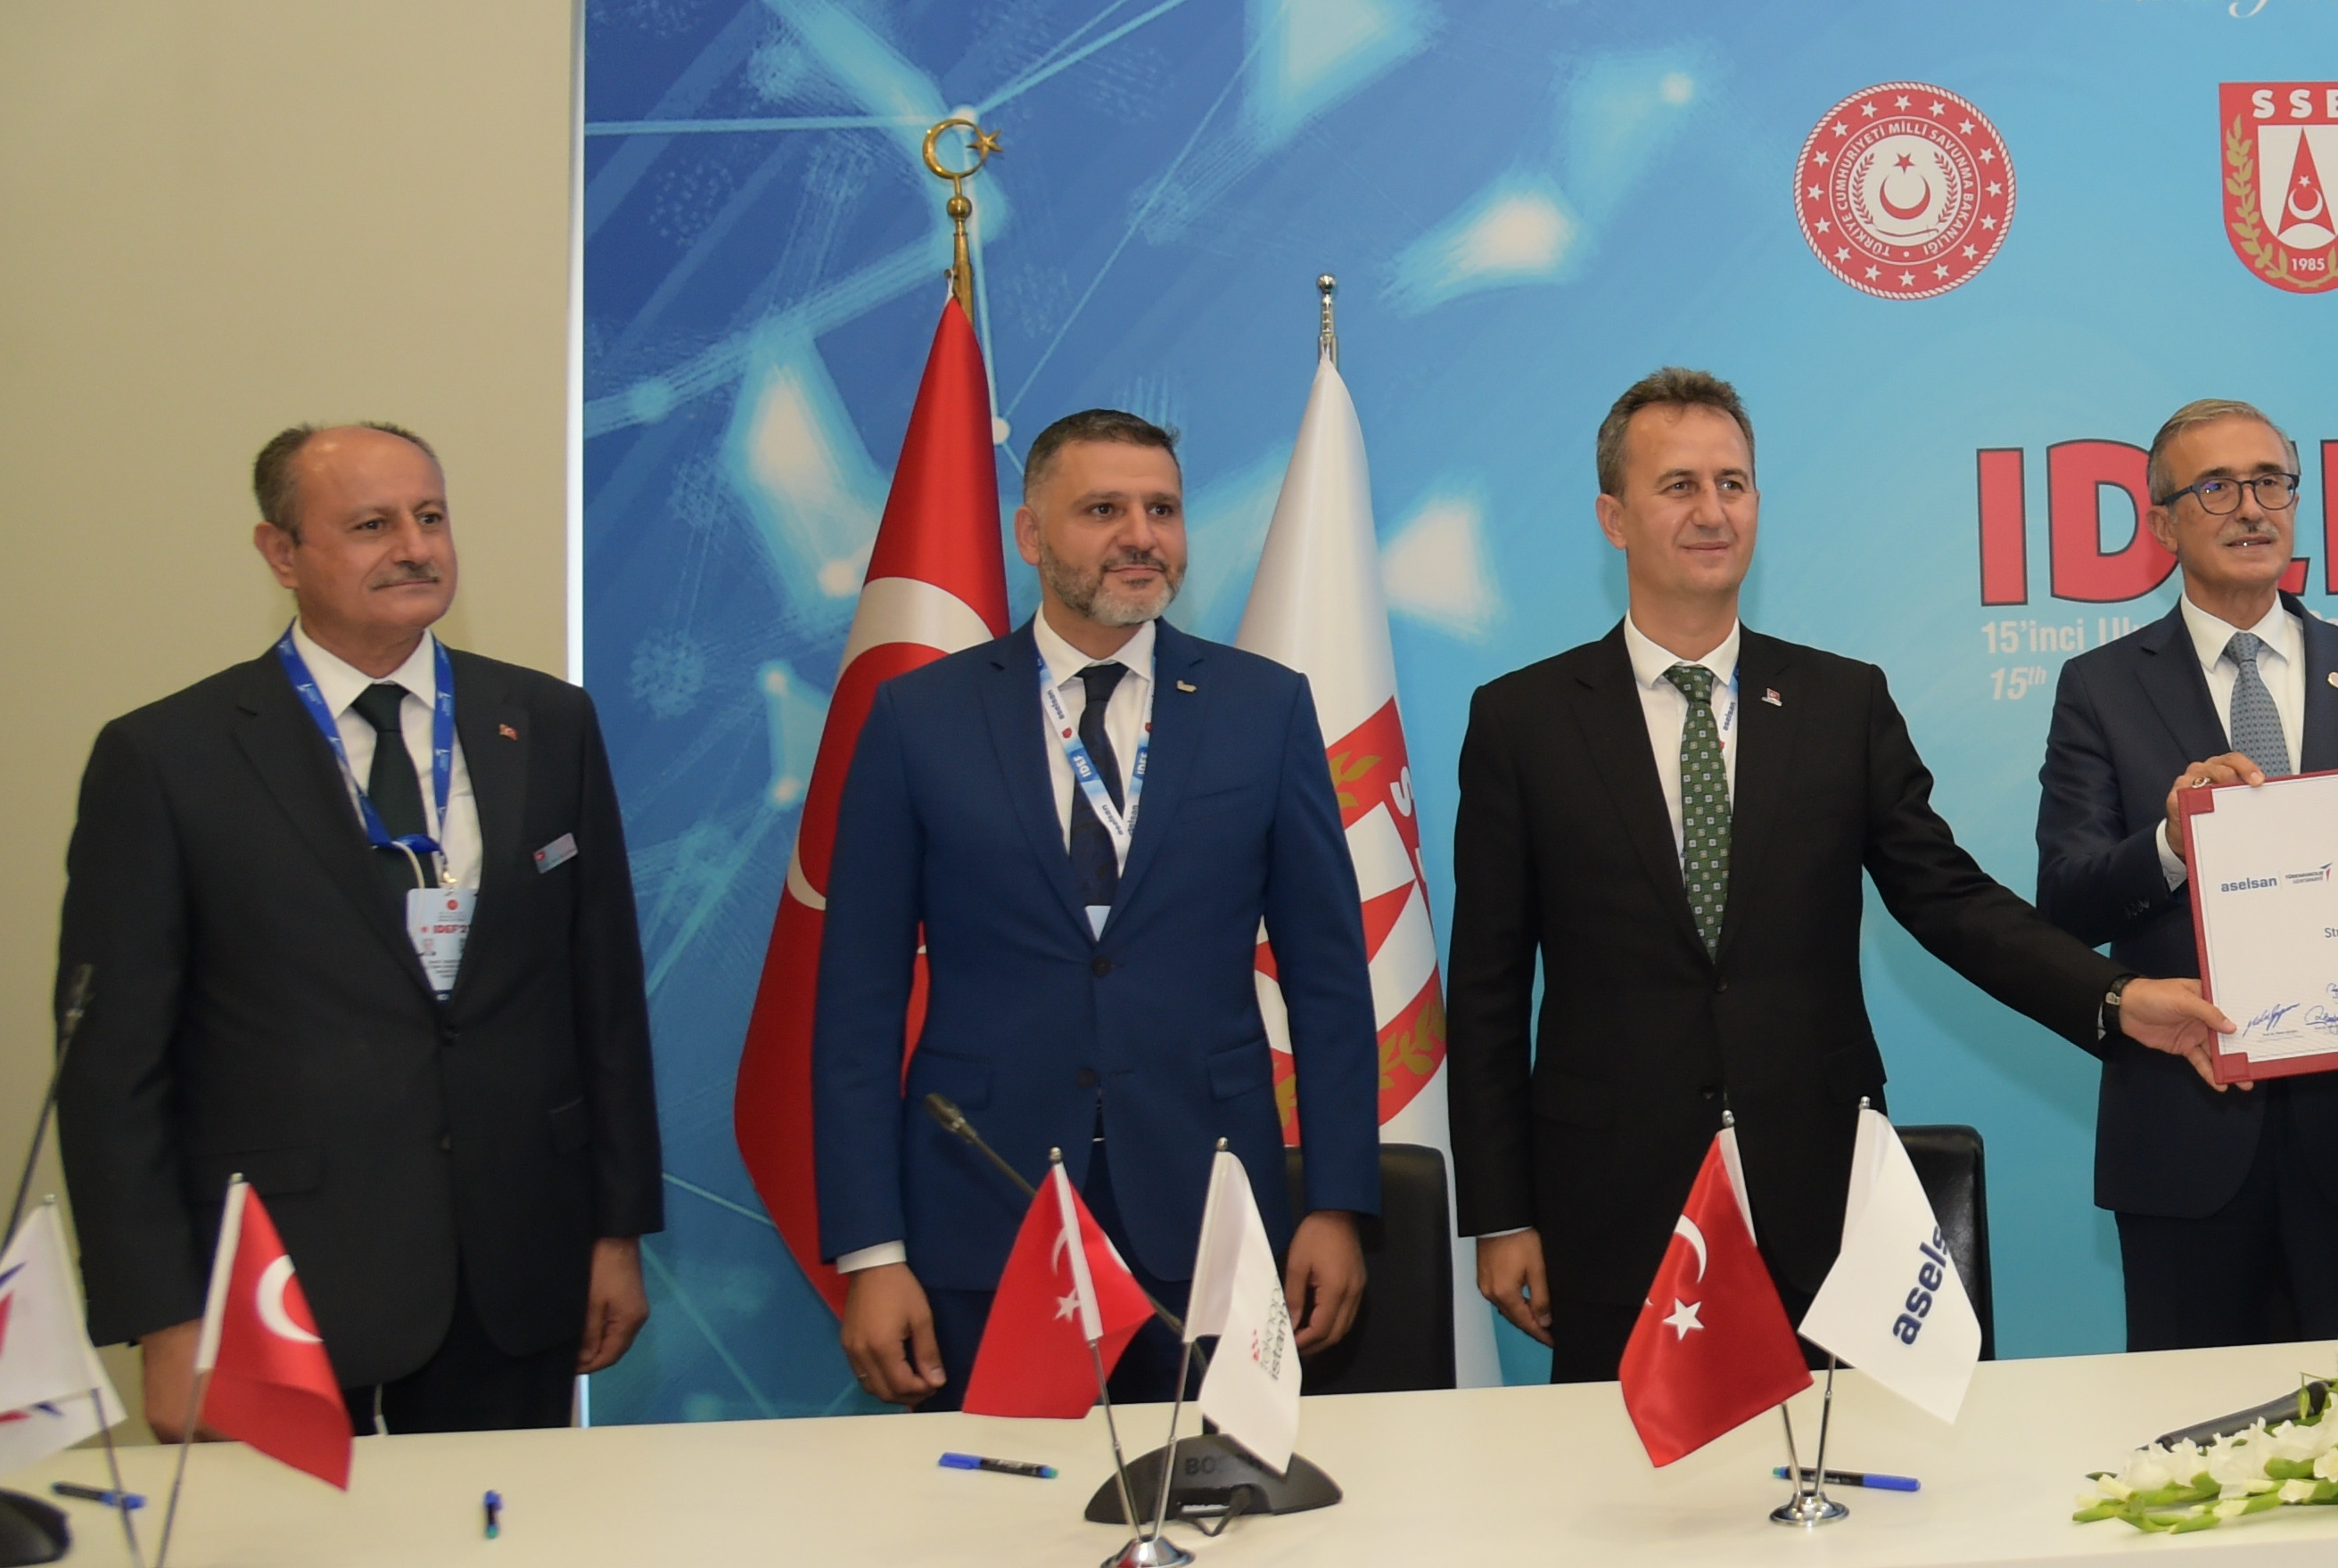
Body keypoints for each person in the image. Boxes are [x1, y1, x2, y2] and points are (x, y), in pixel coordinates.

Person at [1449, 369, 2232, 1382]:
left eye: (1732, 483)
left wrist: (2116, 996)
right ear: (1614, 517)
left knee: (1837, 1471)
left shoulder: (1839, 703)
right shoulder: (1522, 720)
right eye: (1678, 485)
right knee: (1629, 1475)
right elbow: (1486, 988)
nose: (1711, 511)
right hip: (1611, 1201)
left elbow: (1949, 899)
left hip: (1819, 1196)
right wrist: (1502, 1212)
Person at [57, 423, 660, 1434]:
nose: (415, 548)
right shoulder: (167, 757)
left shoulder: (547, 721)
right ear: (281, 553)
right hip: (275, 1285)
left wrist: (616, 1230)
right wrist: (163, 1317)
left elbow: (602, 998)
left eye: (430, 518)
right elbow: (112, 1073)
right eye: (372, 525)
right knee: (280, 1541)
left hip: (515, 1270)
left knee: (506, 1535)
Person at [812, 407, 1376, 1407]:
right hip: (983, 1214)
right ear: (1031, 536)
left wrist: (1335, 1205)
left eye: (1162, 509)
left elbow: (1329, 979)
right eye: (1103, 510)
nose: (1141, 536)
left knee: (1218, 1494)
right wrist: (871, 1251)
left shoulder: (1263, 707)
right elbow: (856, 1002)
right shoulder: (918, 718)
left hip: (1210, 1218)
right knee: (992, 1494)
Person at [2035, 398, 2338, 1350]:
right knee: (2193, 1424)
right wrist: (2171, 843)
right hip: (2184, 1133)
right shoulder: (2100, 687)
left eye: (2271, 483)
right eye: (2216, 488)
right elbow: (2064, 900)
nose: (2251, 508)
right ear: (2161, 522)